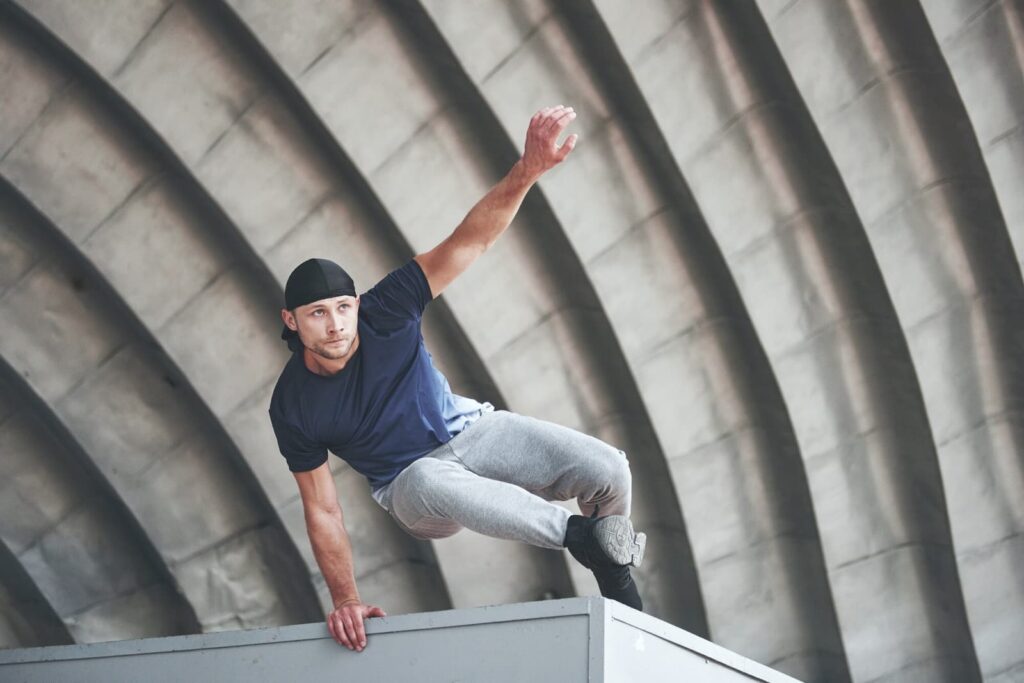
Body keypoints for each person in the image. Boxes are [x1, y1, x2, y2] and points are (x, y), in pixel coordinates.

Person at [269, 105, 646, 654]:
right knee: (425, 477)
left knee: (608, 469)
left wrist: (529, 169)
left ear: (357, 304)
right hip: (410, 490)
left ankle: (616, 581)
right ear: (292, 320)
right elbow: (323, 508)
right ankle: (581, 538)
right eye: (318, 314)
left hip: (471, 432)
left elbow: (469, 242)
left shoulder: (387, 309)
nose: (336, 325)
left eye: (343, 308)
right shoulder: (292, 405)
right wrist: (346, 597)